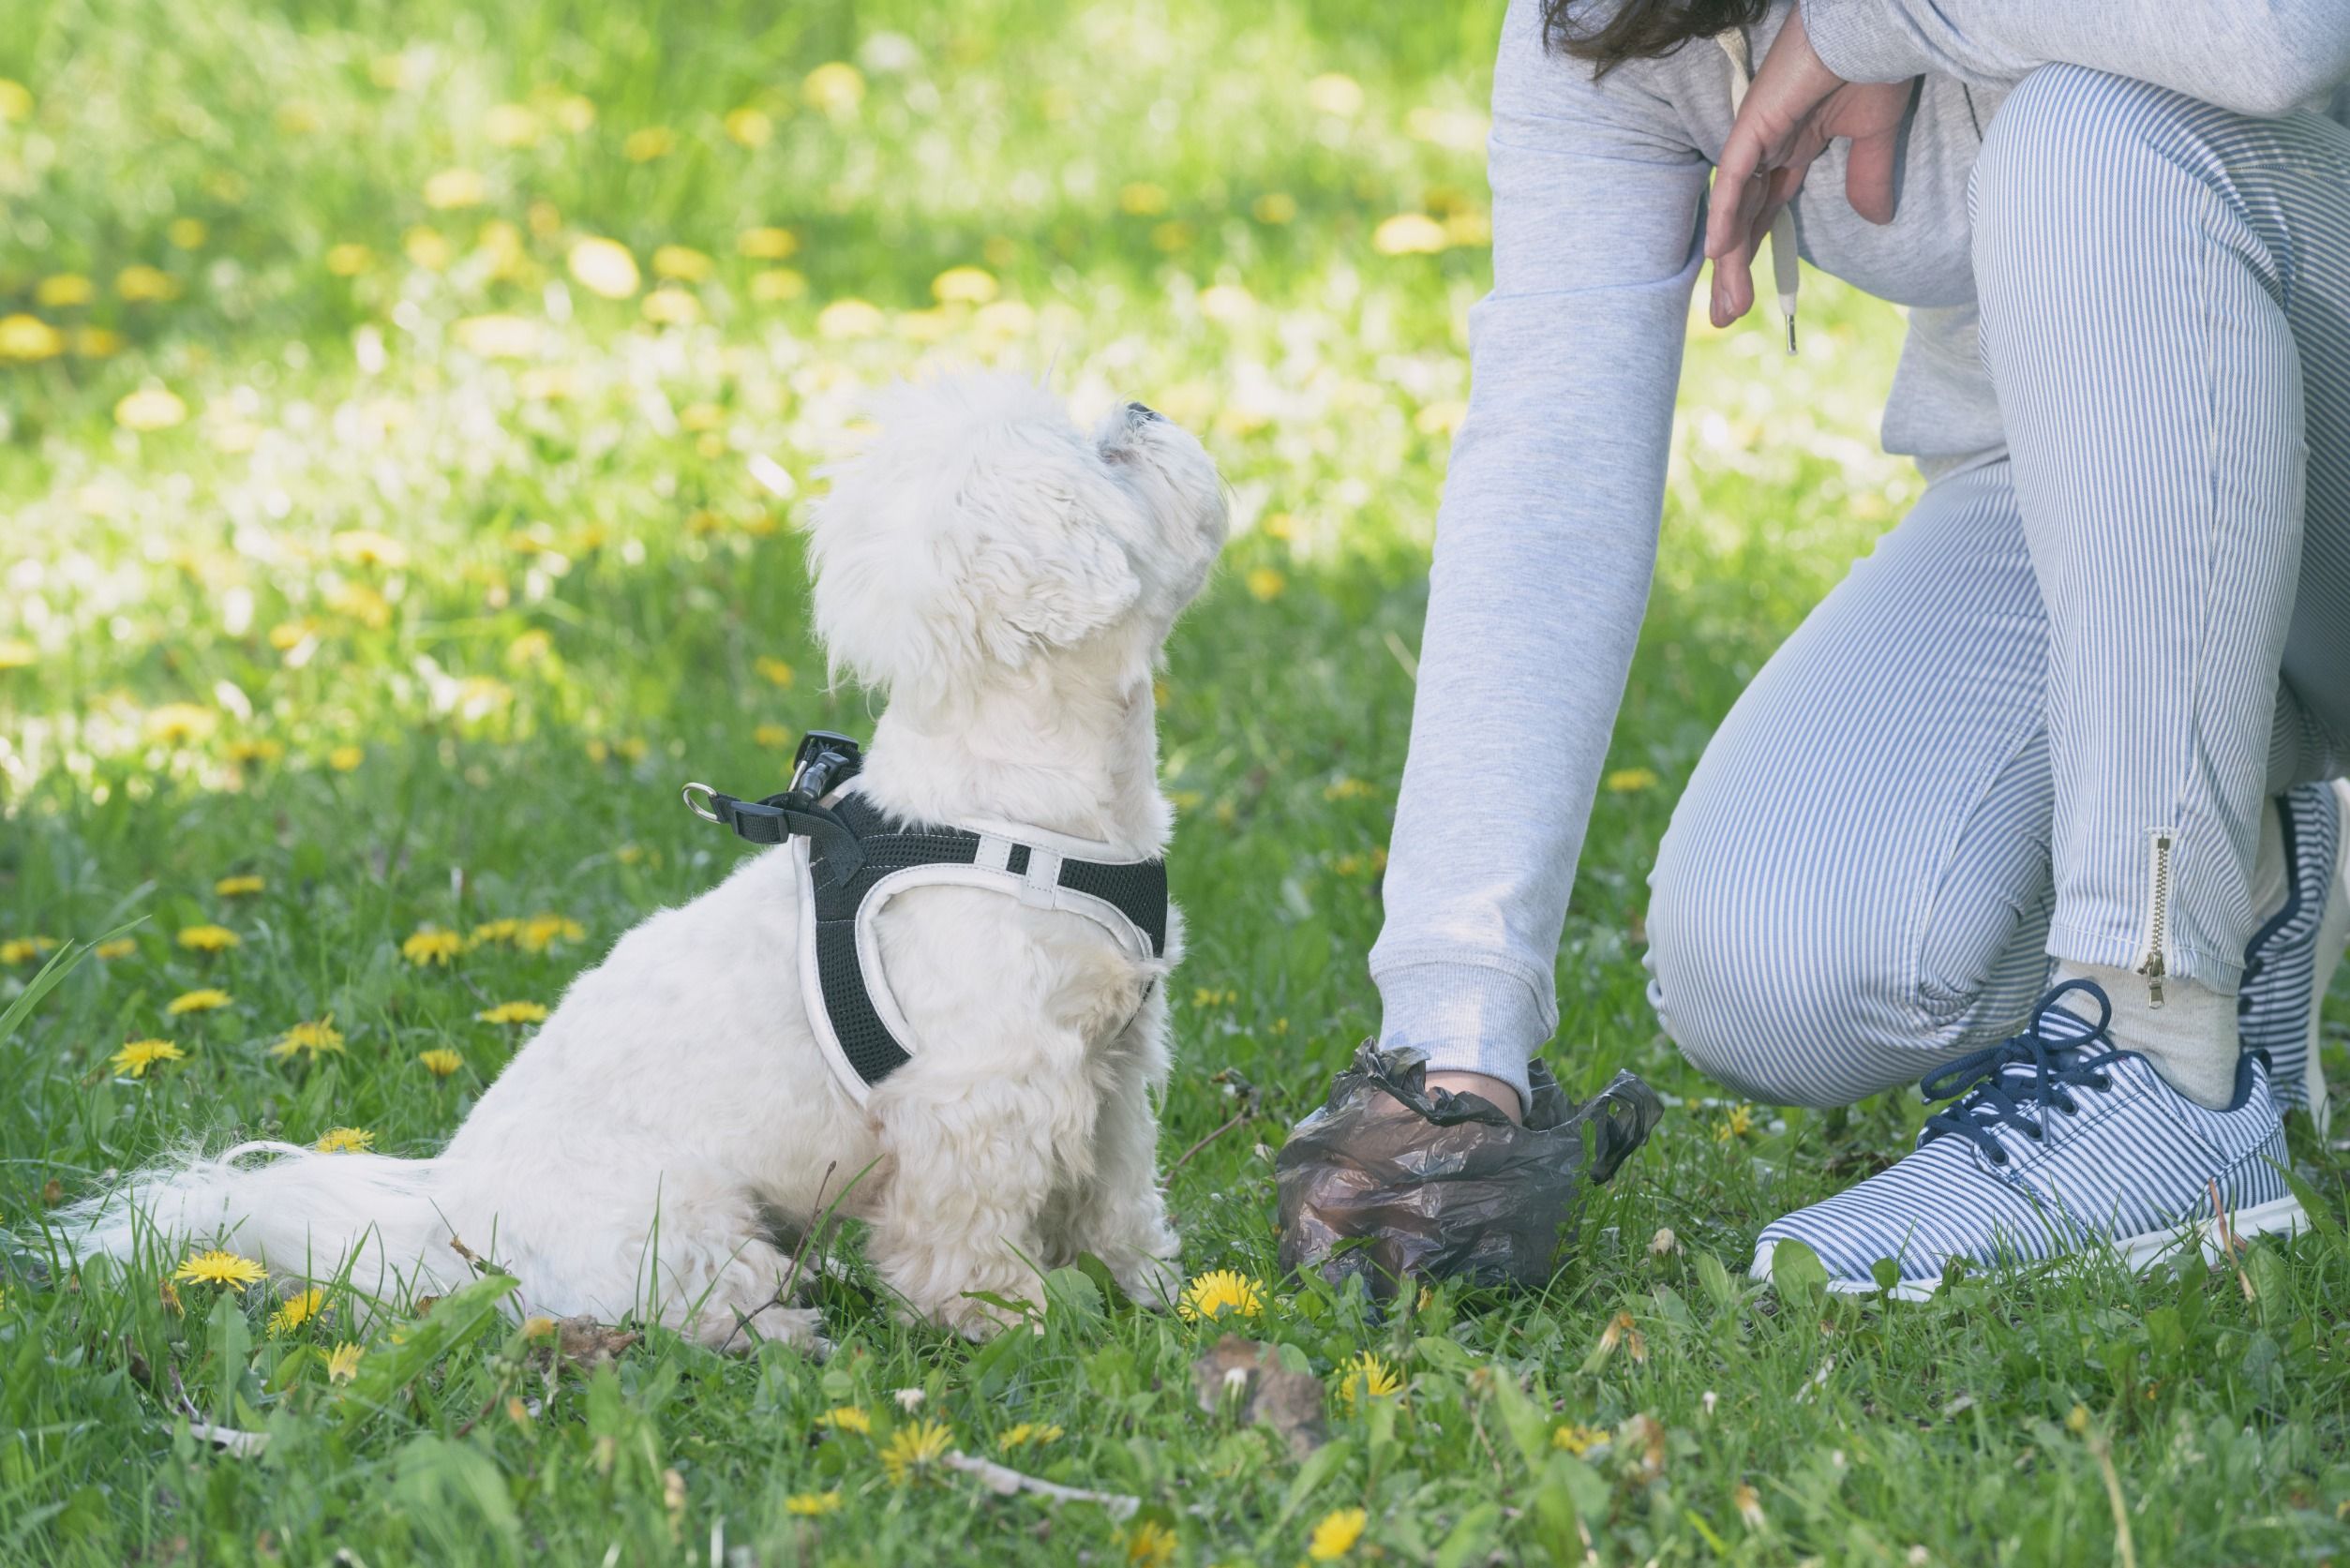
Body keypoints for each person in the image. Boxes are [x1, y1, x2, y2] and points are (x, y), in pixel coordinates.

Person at [1289, 0, 2350, 1293]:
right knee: (1781, 966)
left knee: (2091, 141)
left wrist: (1869, 23)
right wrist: (1456, 1040)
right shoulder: (1623, 24)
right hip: (2092, 478)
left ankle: (2158, 1036)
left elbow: (2277, 32)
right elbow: (1549, 466)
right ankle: (2235, 868)